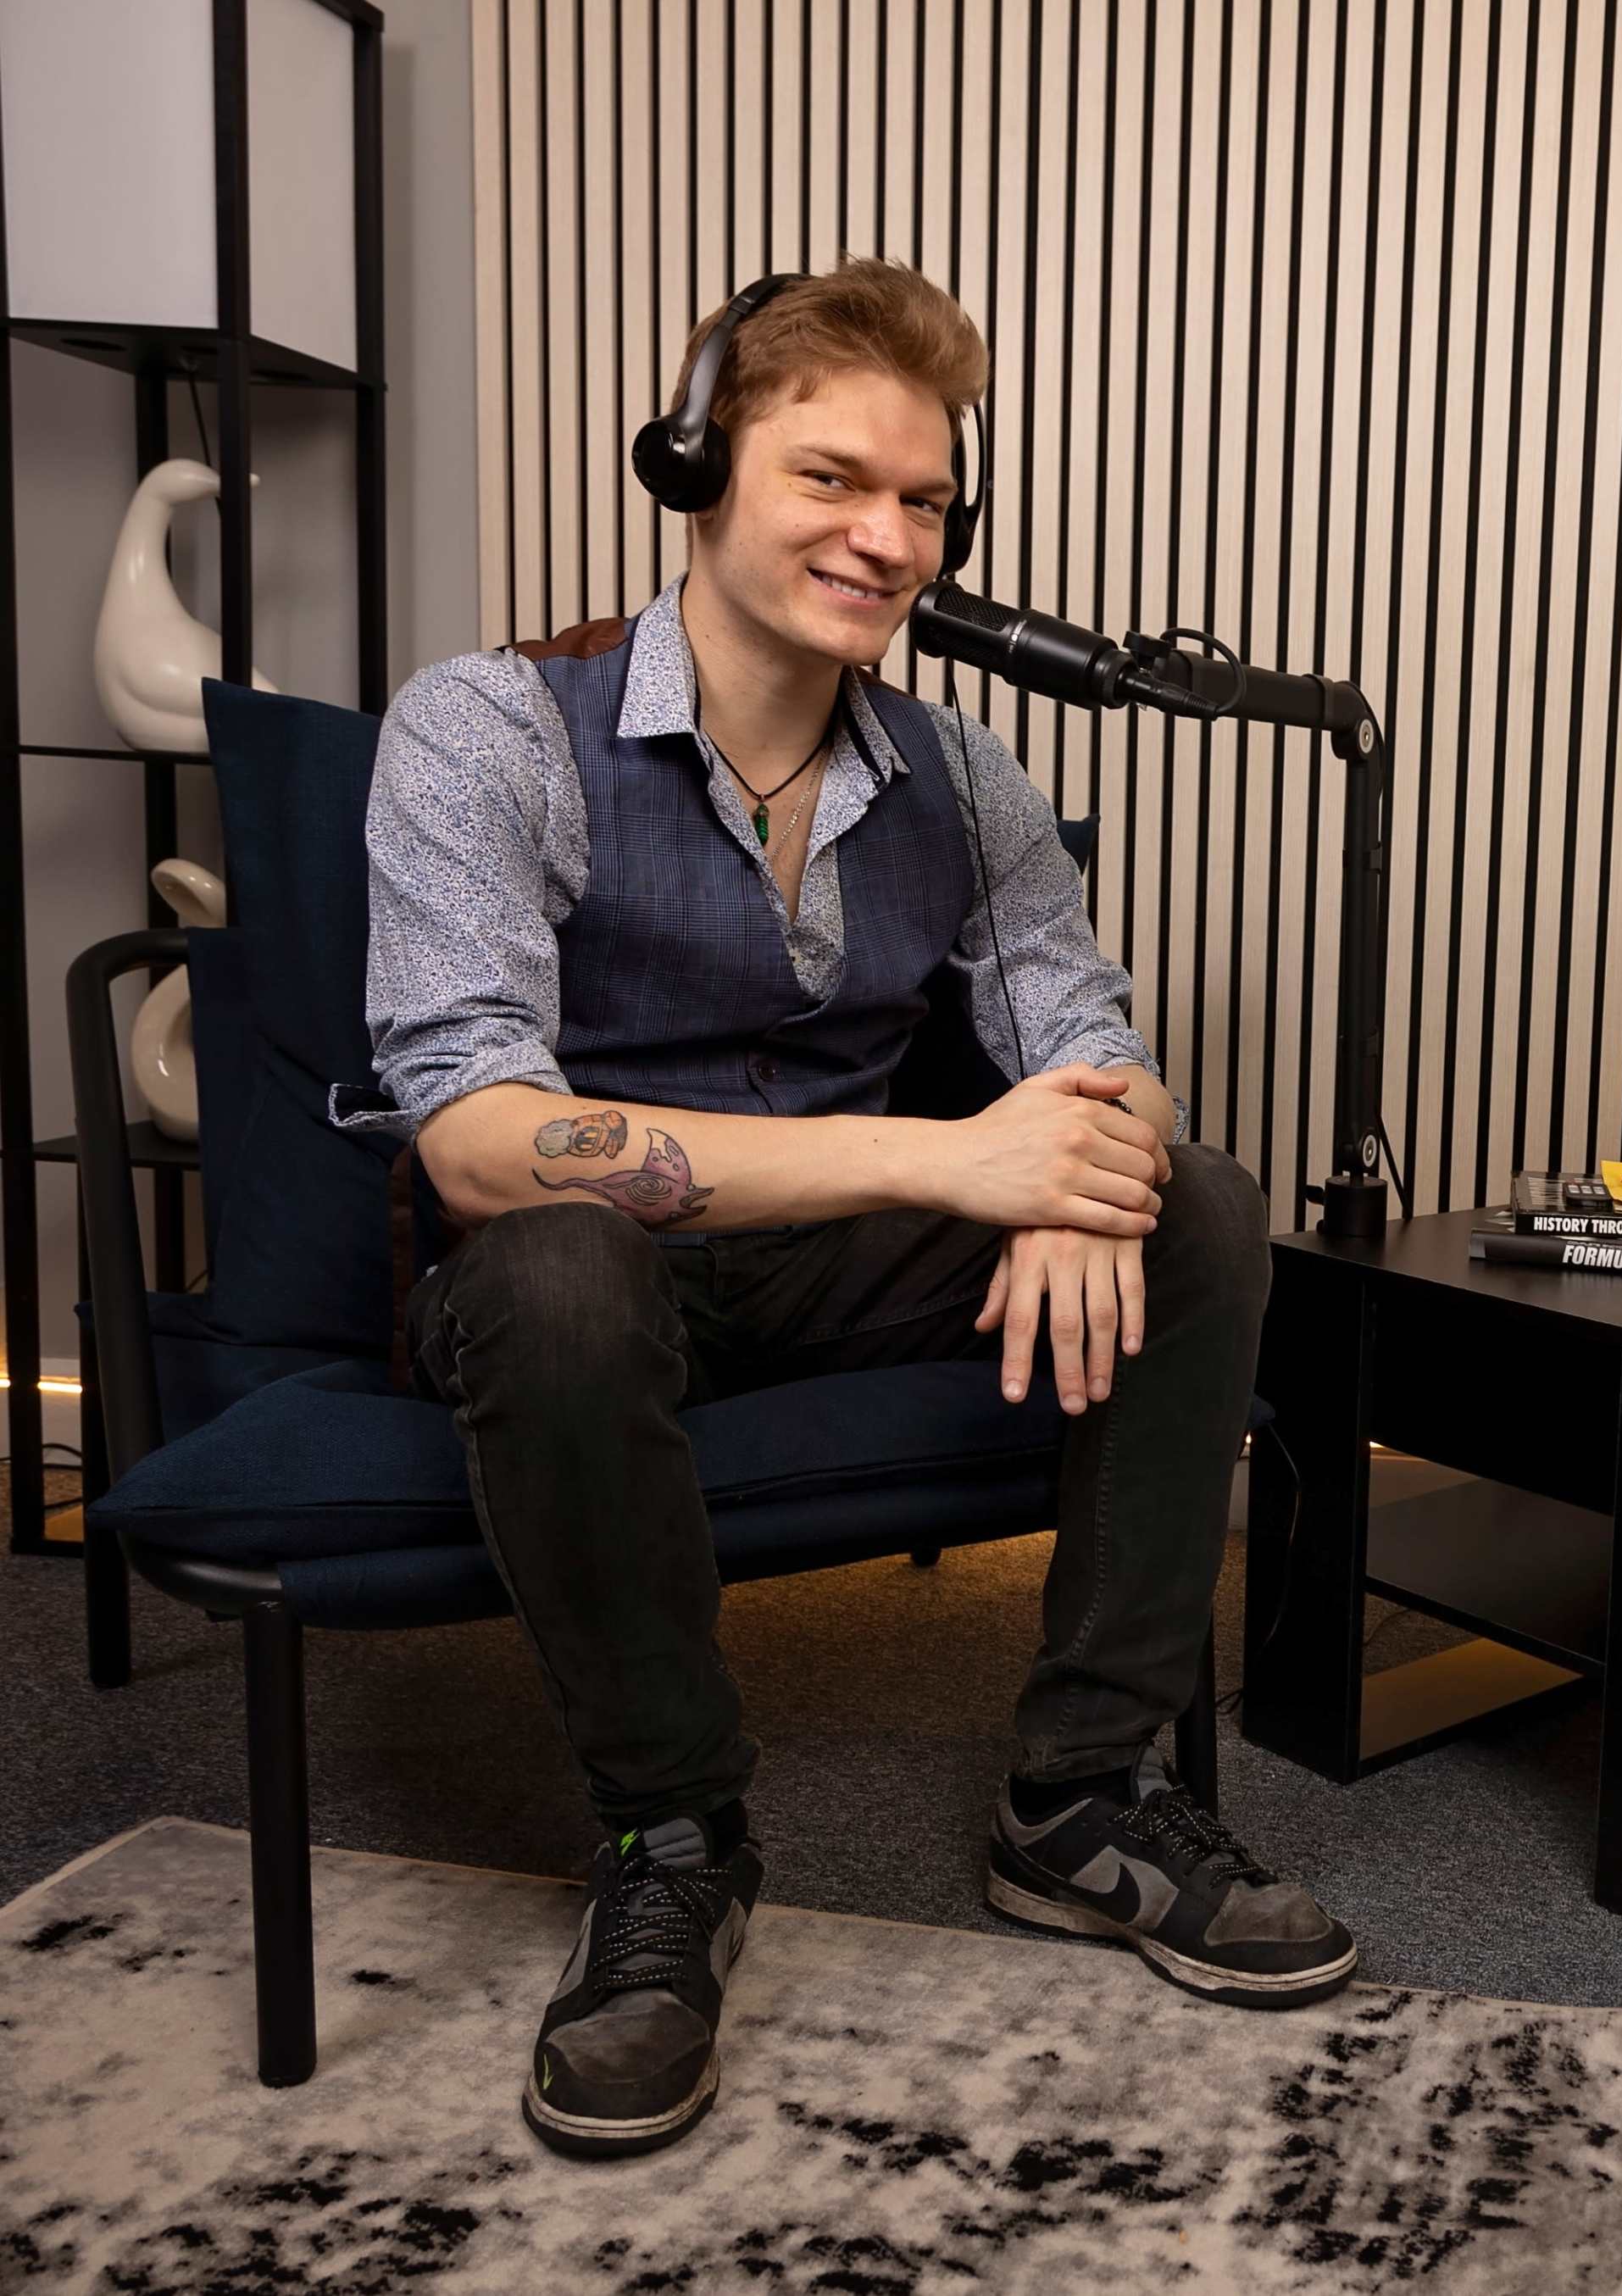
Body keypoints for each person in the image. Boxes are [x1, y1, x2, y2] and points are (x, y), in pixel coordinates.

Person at [350, 258, 1356, 2162]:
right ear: (696, 462)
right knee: (558, 1257)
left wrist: (1089, 1154)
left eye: (924, 502)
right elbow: (480, 1136)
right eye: (832, 479)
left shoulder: (964, 776)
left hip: (834, 1275)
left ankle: (1081, 1794)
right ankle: (674, 1841)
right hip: (589, 1281)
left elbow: (1102, 1040)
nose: (886, 538)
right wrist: (955, 1157)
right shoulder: (487, 725)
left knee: (1204, 1204)